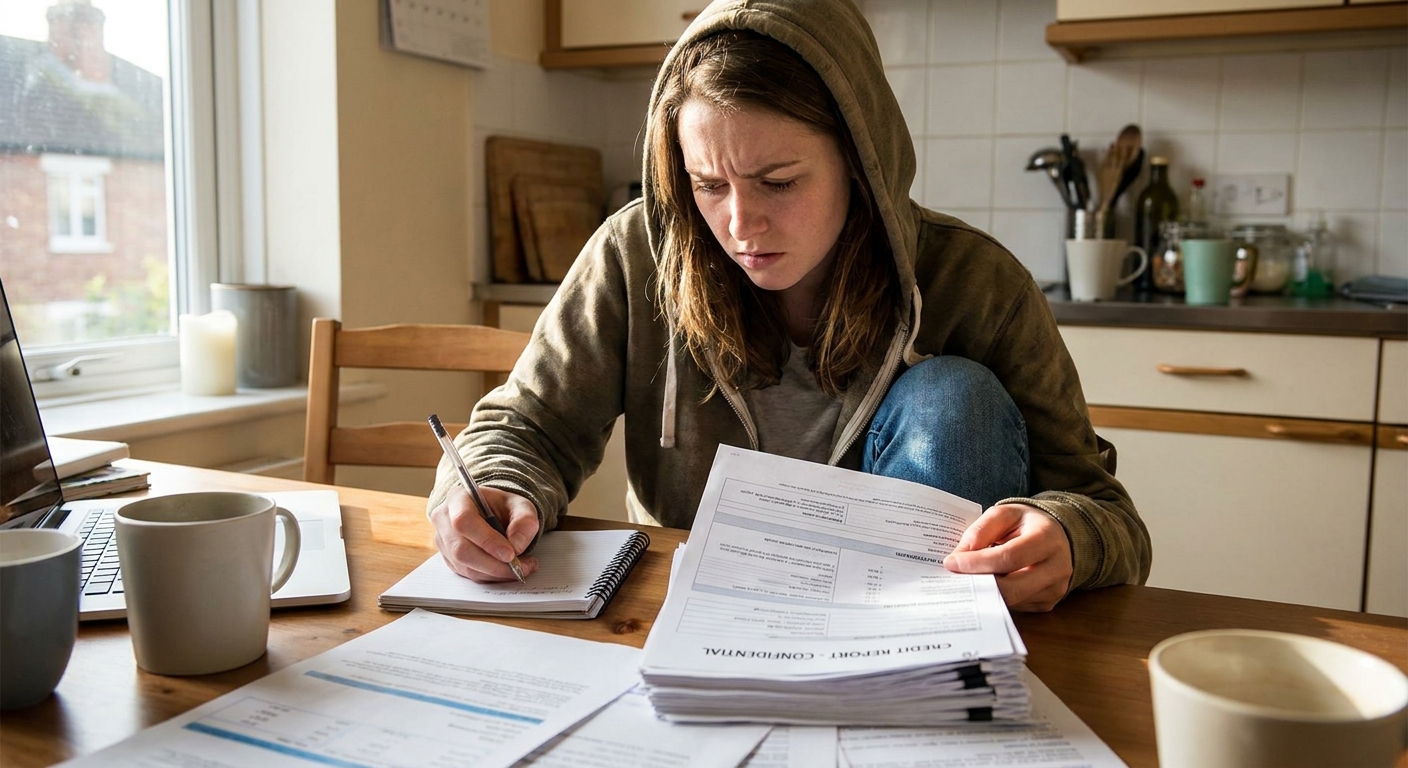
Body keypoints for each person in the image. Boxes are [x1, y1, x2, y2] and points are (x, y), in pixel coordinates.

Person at [428, 0, 1151, 612]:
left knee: (951, 399)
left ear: (861, 164)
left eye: (778, 181)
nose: (741, 224)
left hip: (906, 618)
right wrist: (495, 486)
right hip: (702, 612)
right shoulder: (638, 253)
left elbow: (1109, 516)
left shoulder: (975, 281)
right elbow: (528, 426)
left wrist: (1066, 535)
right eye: (709, 184)